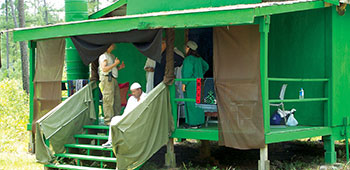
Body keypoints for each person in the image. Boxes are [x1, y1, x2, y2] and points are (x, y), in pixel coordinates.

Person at [102, 82, 147, 148]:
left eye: (134, 92)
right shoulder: (131, 98)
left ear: (139, 90)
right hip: (129, 118)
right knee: (114, 119)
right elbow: (126, 112)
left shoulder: (145, 97)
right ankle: (110, 141)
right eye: (132, 92)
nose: (133, 94)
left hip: (140, 120)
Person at [182, 41, 209, 128]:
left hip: (191, 84)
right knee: (199, 103)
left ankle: (193, 123)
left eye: (186, 47)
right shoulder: (199, 59)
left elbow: (187, 72)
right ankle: (200, 122)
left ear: (188, 48)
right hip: (200, 82)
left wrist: (184, 83)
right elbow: (206, 66)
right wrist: (200, 74)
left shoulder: (188, 59)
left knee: (191, 103)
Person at [99, 44, 125, 125]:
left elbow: (112, 68)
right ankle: (108, 120)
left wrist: (119, 67)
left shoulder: (112, 56)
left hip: (113, 78)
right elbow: (104, 68)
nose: (114, 46)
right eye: (112, 45)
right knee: (108, 99)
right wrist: (115, 64)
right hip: (107, 78)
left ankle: (116, 117)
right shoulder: (104, 56)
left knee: (117, 99)